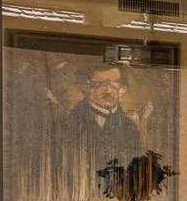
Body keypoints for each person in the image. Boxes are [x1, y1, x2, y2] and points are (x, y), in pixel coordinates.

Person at [60, 62, 144, 192]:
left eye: (114, 84)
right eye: (99, 84)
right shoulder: (66, 125)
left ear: (123, 89)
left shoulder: (130, 127)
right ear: (84, 87)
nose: (108, 91)